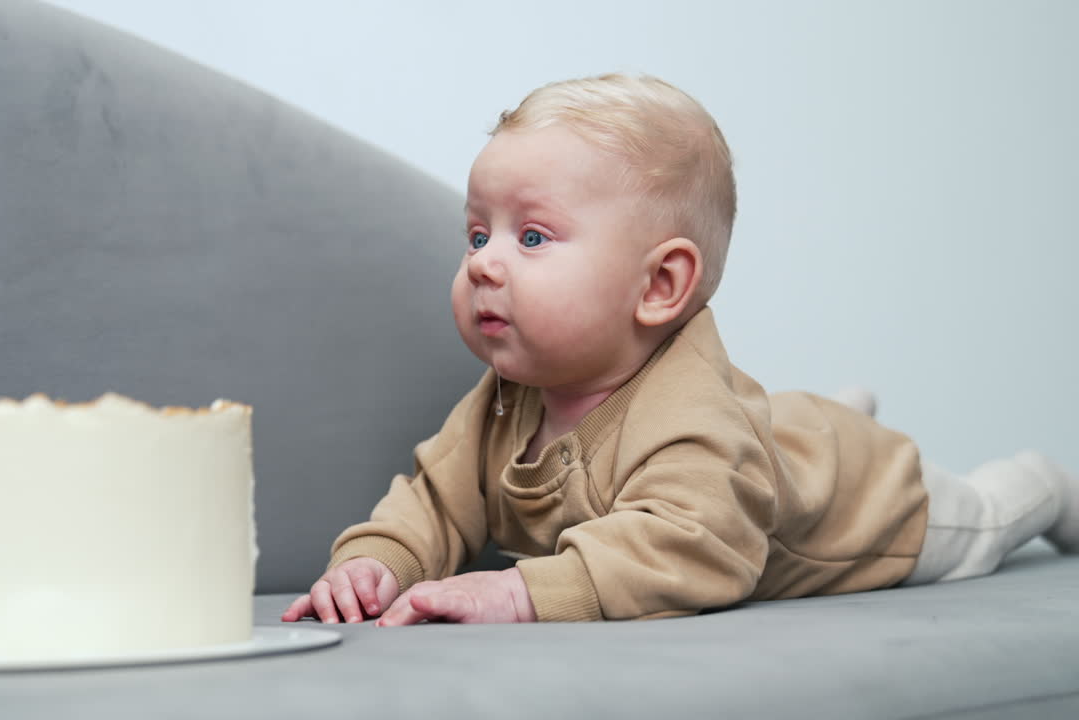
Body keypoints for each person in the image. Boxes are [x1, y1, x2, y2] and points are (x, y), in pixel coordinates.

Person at [281, 73, 1079, 626]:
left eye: (531, 236)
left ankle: (1047, 484)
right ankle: (827, 415)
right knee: (777, 431)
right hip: (765, 443)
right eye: (477, 233)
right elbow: (433, 498)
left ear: (659, 285)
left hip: (878, 501)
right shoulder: (502, 400)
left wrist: (525, 592)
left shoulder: (690, 423)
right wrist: (378, 560)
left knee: (984, 523)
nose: (484, 261)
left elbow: (697, 548)